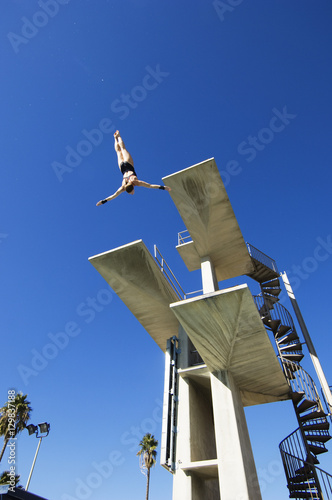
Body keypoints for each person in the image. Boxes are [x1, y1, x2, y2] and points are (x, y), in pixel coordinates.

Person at [96, 131, 171, 205]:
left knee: (123, 149)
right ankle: (116, 138)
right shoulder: (123, 187)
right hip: (122, 167)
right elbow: (113, 196)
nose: (132, 194)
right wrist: (103, 201)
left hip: (129, 164)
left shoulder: (136, 183)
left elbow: (150, 186)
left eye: (131, 193)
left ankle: (118, 136)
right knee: (119, 151)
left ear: (133, 188)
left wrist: (164, 188)